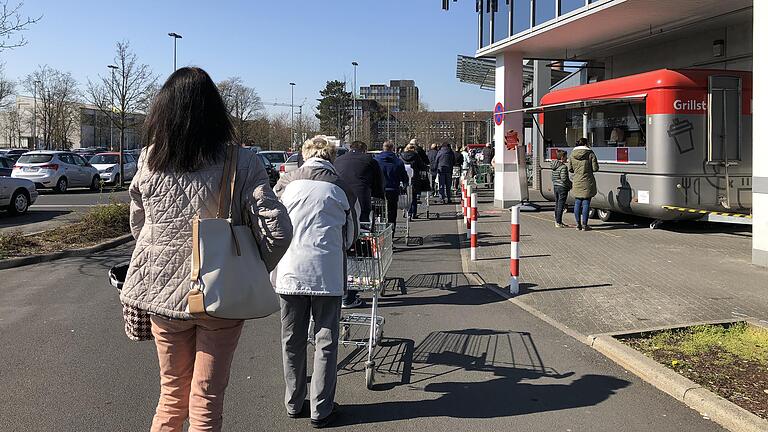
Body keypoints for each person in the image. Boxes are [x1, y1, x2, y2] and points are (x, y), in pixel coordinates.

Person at [121, 67, 293, 432]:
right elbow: (277, 229)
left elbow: (140, 225)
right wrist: (251, 266)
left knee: (170, 394)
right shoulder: (241, 161)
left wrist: (161, 257)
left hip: (162, 295)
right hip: (221, 295)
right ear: (216, 112)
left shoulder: (149, 159)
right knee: (206, 398)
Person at [273, 135, 360, 428]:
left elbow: (272, 224)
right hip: (327, 273)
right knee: (325, 341)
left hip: (289, 271)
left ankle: (293, 402)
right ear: (331, 157)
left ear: (304, 155)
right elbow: (351, 235)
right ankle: (321, 409)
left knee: (292, 339)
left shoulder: (286, 184)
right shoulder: (341, 188)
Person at [334, 140, 384, 309]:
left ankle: (341, 289)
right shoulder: (370, 161)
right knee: (358, 247)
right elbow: (378, 186)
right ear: (365, 150)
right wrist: (379, 202)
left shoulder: (338, 160)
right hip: (360, 204)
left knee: (343, 247)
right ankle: (350, 294)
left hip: (340, 204)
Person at [375, 140, 409, 231]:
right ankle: (391, 234)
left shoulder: (376, 160)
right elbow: (404, 177)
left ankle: (380, 232)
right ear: (392, 149)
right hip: (393, 190)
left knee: (378, 213)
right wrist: (405, 185)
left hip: (378, 191)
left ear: (383, 148)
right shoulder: (398, 162)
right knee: (392, 214)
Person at [570, 137, 600, 231]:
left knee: (577, 202)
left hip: (577, 181)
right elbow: (595, 168)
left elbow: (570, 169)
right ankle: (585, 225)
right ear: (586, 144)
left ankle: (578, 224)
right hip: (588, 181)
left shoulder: (572, 154)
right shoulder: (590, 153)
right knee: (586, 203)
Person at [400, 142, 429, 219]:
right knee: (414, 196)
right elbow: (421, 166)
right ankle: (413, 213)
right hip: (414, 178)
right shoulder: (416, 156)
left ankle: (407, 211)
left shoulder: (401, 156)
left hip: (404, 178)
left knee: (406, 195)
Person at [551, 150, 572, 228]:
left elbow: (553, 177)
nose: (567, 158)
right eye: (566, 156)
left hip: (555, 186)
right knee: (561, 205)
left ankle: (557, 220)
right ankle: (558, 222)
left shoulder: (554, 165)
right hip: (562, 187)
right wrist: (570, 184)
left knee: (557, 203)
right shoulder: (563, 167)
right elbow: (564, 178)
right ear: (562, 157)